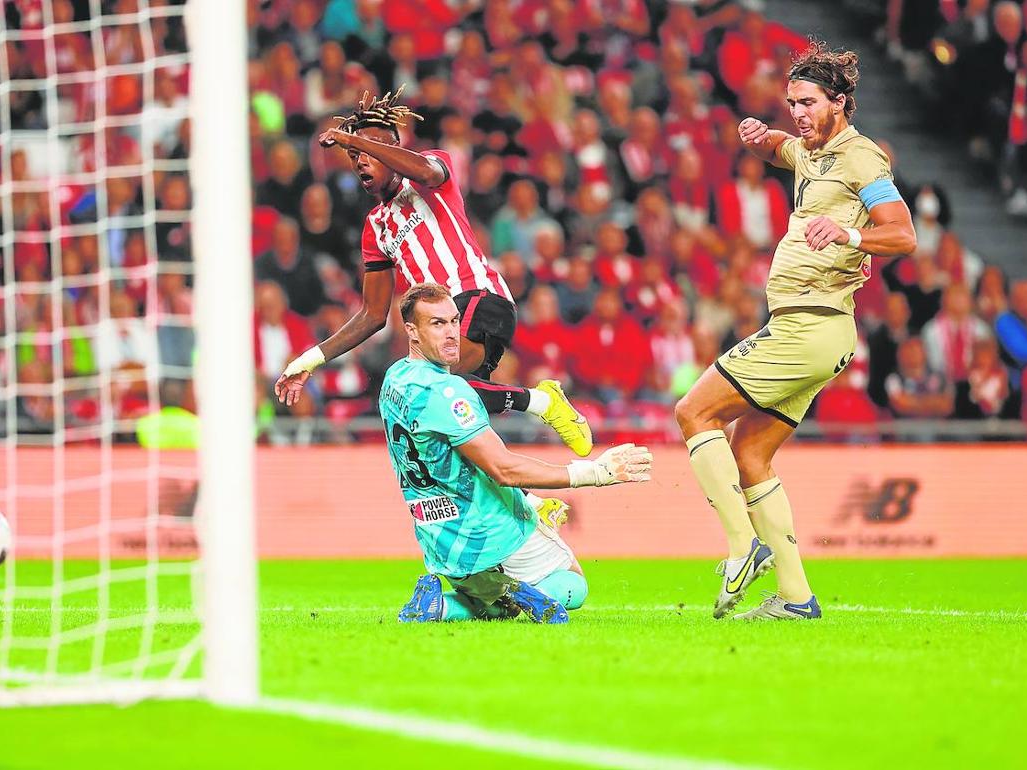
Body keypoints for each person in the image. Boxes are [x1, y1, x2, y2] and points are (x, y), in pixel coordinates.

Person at [673, 42, 917, 620]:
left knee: (692, 412)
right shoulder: (813, 151)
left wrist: (850, 235)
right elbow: (789, 150)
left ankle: (742, 547)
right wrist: (763, 136)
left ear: (840, 102)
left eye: (808, 102)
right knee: (750, 451)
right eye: (791, 103)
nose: (798, 113)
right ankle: (797, 598)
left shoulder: (864, 160)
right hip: (815, 331)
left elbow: (903, 235)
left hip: (810, 325)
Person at [275, 87, 592, 457]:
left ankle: (541, 404)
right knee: (440, 406)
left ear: (393, 150)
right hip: (442, 320)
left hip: (479, 297)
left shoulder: (430, 173)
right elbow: (372, 315)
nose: (360, 161)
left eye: (368, 152)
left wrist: (351, 138)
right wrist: (310, 359)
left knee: (431, 386)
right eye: (353, 157)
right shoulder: (375, 227)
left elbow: (424, 169)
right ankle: (526, 489)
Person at [383, 284, 653, 624]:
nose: (451, 334)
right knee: (573, 583)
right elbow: (502, 469)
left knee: (490, 606)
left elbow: (455, 461)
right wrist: (596, 473)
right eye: (437, 324)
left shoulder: (395, 379)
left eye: (454, 322)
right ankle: (514, 592)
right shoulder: (447, 393)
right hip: (489, 532)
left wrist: (534, 501)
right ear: (412, 331)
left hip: (440, 540)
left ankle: (444, 607)